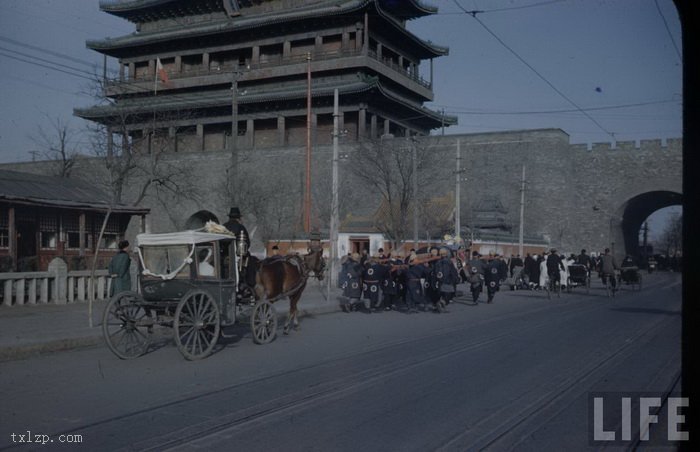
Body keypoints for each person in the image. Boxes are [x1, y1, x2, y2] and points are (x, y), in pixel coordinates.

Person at [223, 207, 253, 292]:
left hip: (223, 256)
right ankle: (250, 282)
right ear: (238, 218)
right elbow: (247, 243)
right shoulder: (240, 227)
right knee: (251, 262)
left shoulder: (224, 226)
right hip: (238, 256)